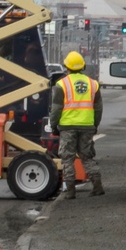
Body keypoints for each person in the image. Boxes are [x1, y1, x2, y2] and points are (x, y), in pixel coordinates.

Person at [49, 51, 104, 199]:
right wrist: (95, 125)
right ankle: (97, 186)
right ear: (83, 66)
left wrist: (54, 126)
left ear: (66, 66)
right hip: (87, 126)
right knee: (87, 157)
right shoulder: (93, 84)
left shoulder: (61, 85)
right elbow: (98, 108)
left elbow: (56, 109)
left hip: (67, 127)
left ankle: (71, 191)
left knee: (68, 159)